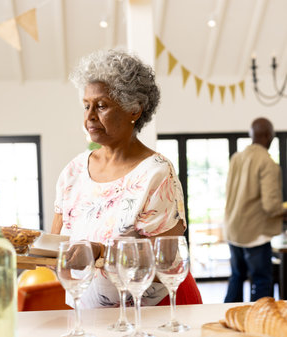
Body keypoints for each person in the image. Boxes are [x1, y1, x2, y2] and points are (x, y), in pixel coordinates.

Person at [51, 49, 201, 308]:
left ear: (134, 109)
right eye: (86, 106)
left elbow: (166, 262)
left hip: (153, 314)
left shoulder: (156, 172)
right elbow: (56, 247)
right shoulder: (72, 172)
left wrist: (100, 253)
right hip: (87, 318)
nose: (89, 117)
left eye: (101, 105)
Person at [224, 117, 287, 302]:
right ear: (269, 136)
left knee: (237, 276)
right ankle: (260, 320)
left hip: (233, 230)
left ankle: (227, 317)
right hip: (255, 234)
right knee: (261, 280)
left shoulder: (237, 158)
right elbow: (271, 206)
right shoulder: (267, 163)